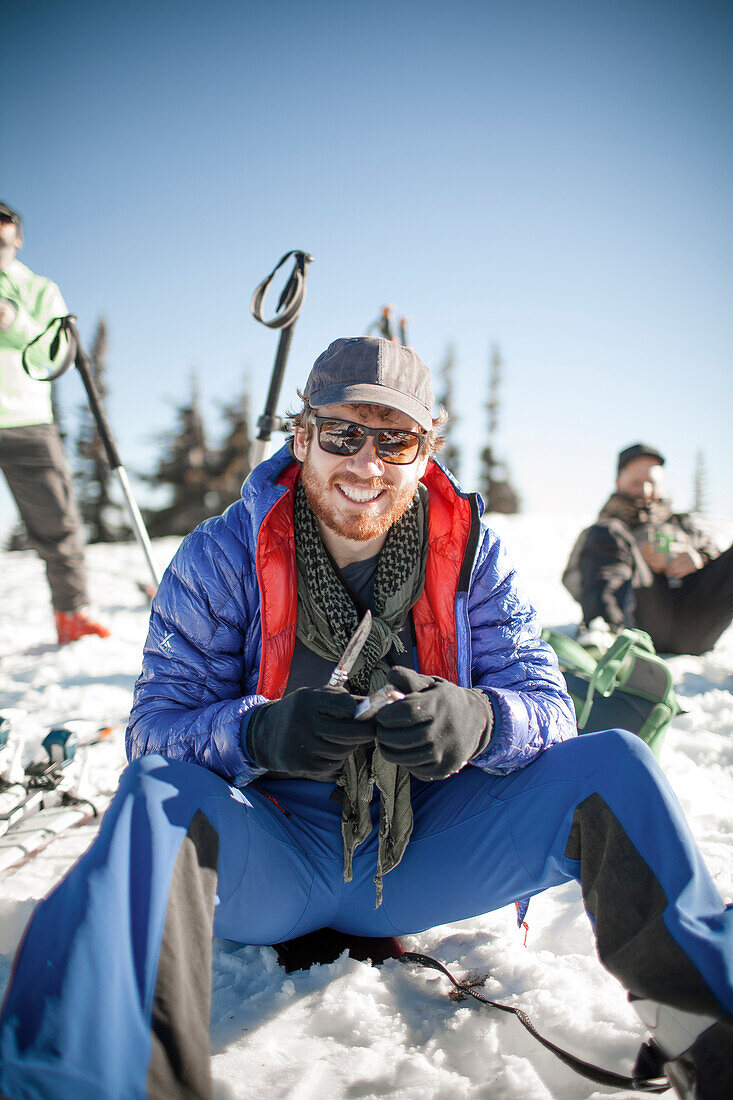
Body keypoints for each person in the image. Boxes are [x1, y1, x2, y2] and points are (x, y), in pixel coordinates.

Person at [0, 338, 731, 1100]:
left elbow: (548, 708)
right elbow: (152, 731)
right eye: (343, 434)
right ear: (302, 437)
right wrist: (257, 732)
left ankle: (713, 1037)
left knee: (614, 762)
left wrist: (480, 719)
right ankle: (80, 1077)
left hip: (428, 847)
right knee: (156, 795)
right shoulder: (223, 555)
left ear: (426, 451)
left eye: (395, 440)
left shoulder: (473, 556)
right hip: (274, 846)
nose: (366, 463)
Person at [0, 201, 109, 645]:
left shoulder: (40, 290)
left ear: (17, 239)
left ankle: (71, 613)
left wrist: (11, 320)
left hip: (26, 418)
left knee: (57, 521)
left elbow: (53, 355)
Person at [563, 442, 733, 655]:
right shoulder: (605, 530)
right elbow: (573, 580)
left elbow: (718, 560)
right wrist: (631, 561)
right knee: (609, 530)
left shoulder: (684, 525)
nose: (645, 490)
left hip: (695, 620)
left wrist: (700, 558)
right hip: (636, 619)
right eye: (636, 482)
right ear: (618, 482)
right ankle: (604, 631)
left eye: (651, 482)